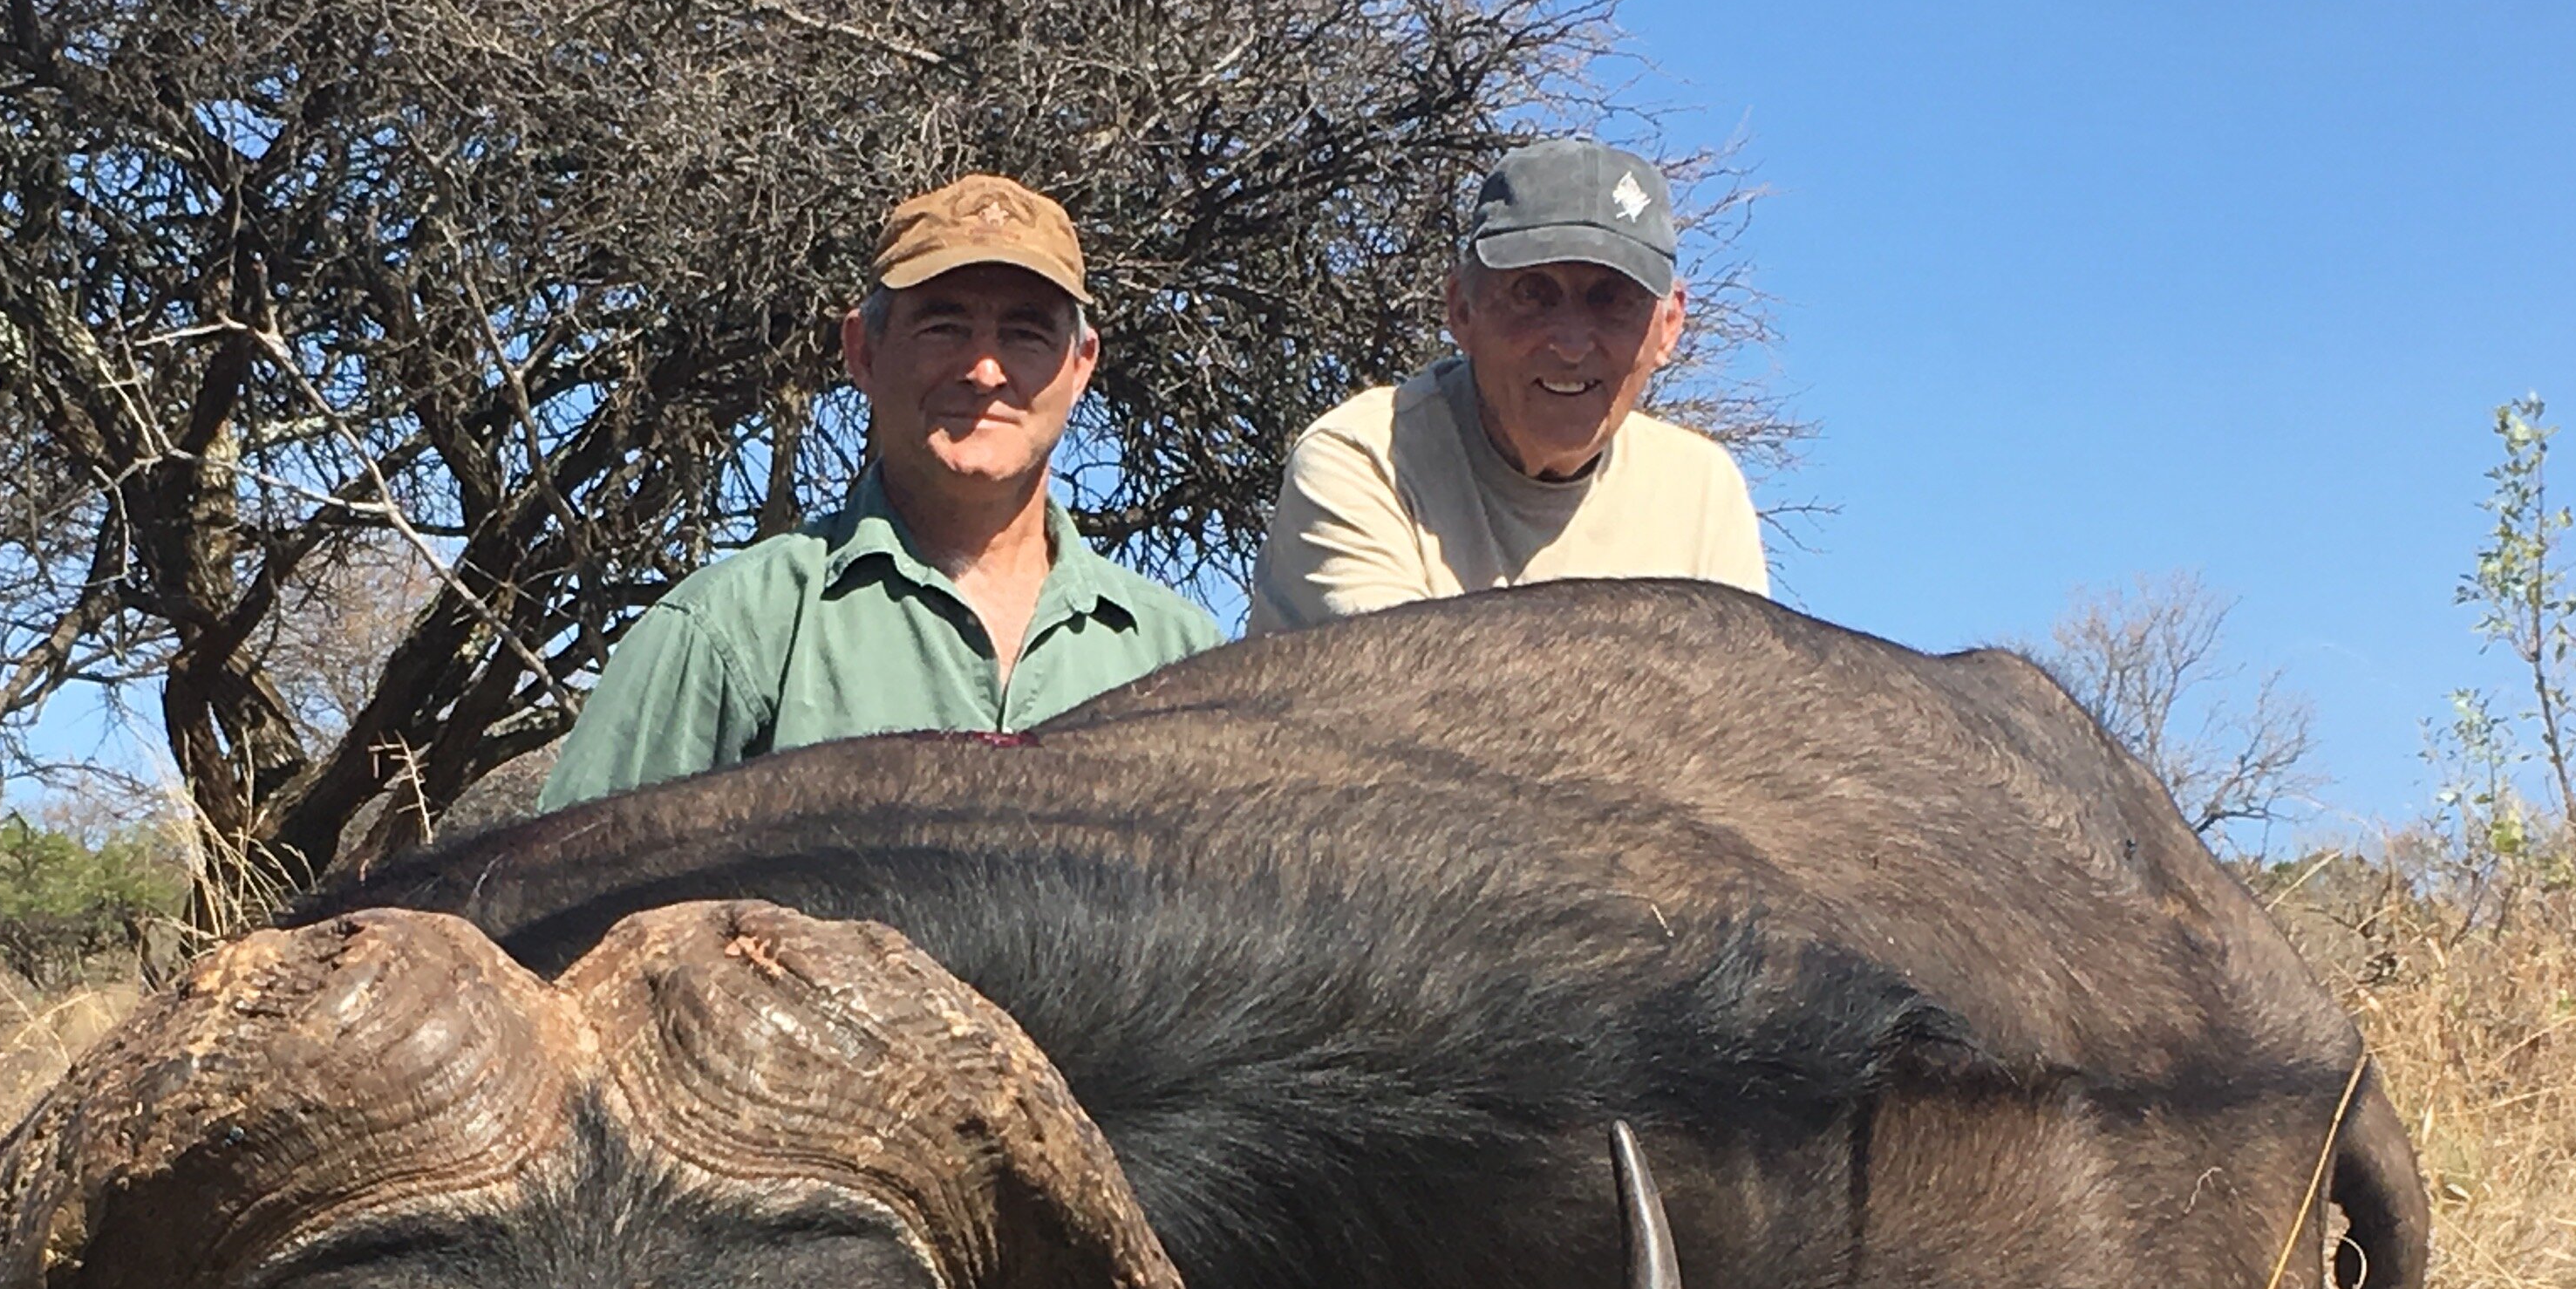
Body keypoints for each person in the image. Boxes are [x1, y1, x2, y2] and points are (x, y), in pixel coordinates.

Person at [540, 174, 1220, 808]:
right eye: (943, 326)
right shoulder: (732, 630)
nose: (985, 370)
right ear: (863, 351)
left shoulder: (1178, 658)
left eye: (1025, 333)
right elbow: (555, 902)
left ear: (1081, 367)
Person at [1247, 139, 1767, 632]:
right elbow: (1411, 705)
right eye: (1532, 293)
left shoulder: (1702, 490)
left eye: (1612, 299)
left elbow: (1742, 713)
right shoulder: (1364, 458)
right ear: (1461, 310)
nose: (1571, 344)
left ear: (1670, 326)